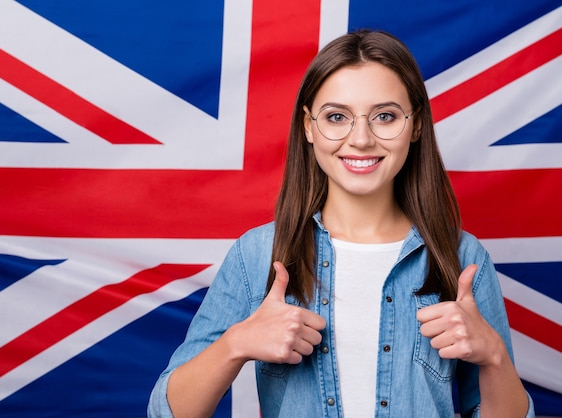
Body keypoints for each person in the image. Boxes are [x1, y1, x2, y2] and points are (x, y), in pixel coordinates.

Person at [148, 30, 535, 417]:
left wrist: (494, 356)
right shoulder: (257, 254)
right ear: (309, 127)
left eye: (385, 116)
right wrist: (235, 344)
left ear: (416, 125)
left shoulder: (463, 258)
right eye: (337, 117)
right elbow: (165, 412)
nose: (361, 139)